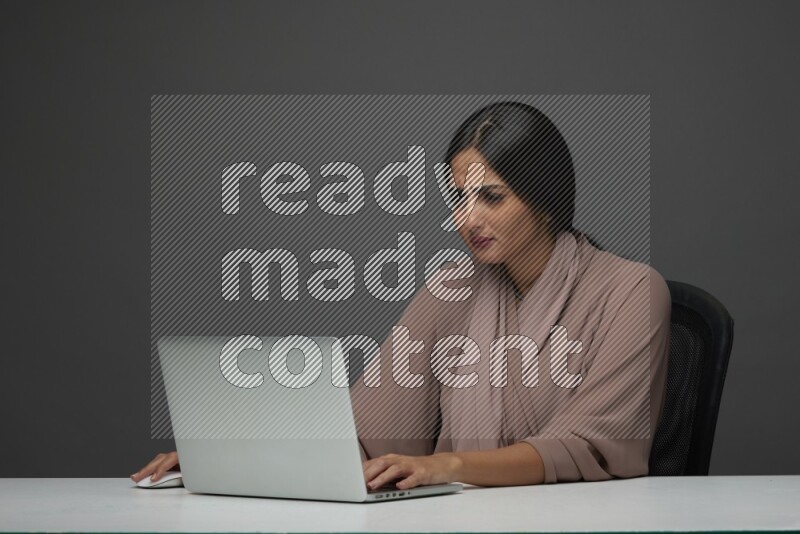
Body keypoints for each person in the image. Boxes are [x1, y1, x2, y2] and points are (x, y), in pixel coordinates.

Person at [132, 101, 671, 490]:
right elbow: (368, 434)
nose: (467, 218)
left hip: (582, 526)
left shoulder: (631, 292)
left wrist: (450, 466)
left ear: (546, 198)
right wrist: (226, 458)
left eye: (491, 197)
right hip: (454, 523)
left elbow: (585, 446)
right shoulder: (448, 290)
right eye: (458, 198)